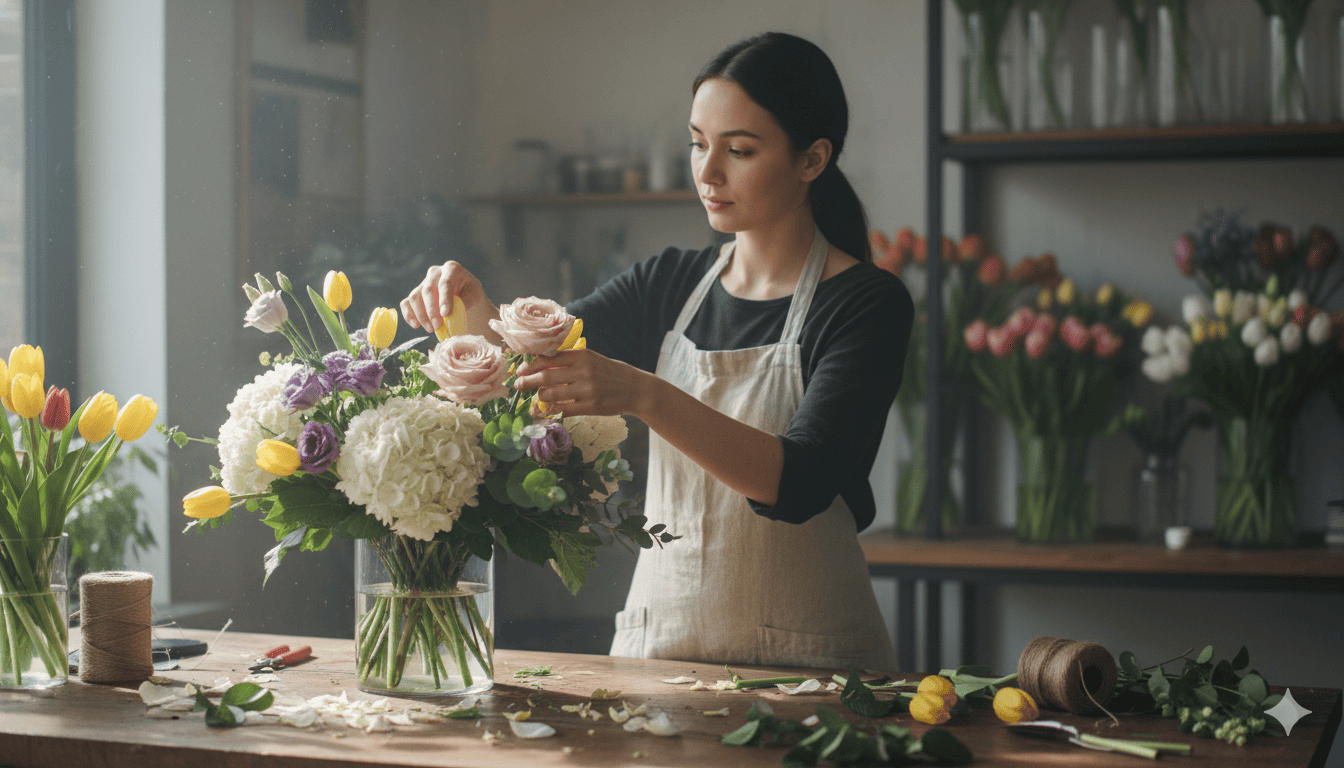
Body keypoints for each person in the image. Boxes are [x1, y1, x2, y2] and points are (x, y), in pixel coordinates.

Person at [401, 32, 912, 672]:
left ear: (812, 159)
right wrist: (472, 306)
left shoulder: (865, 303)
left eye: (739, 150)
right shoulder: (667, 283)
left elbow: (798, 483)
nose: (708, 172)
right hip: (660, 654)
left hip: (813, 665)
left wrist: (646, 395)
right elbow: (525, 377)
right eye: (698, 143)